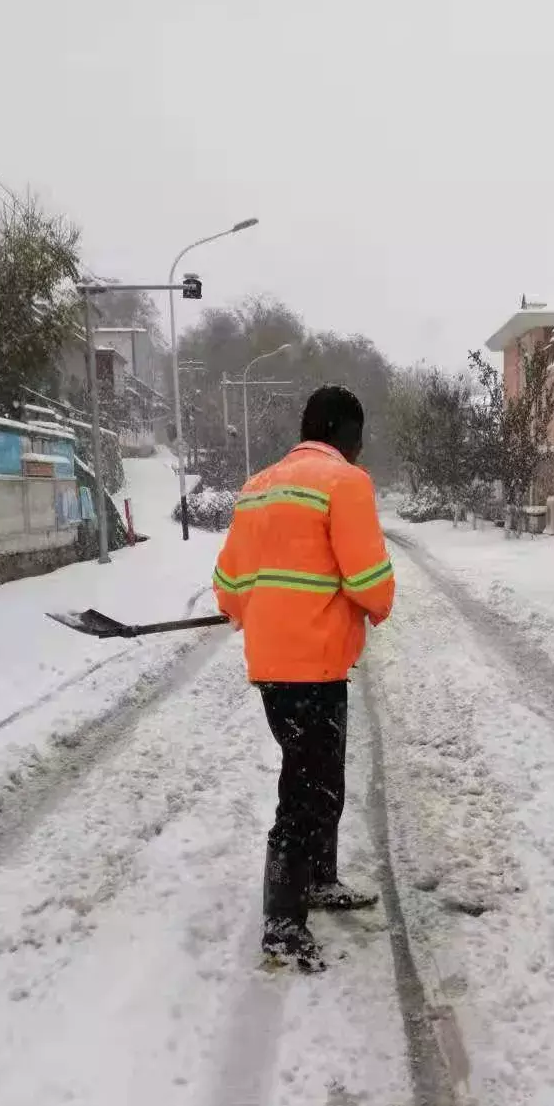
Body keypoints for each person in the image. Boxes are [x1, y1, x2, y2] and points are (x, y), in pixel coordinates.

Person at [213, 385, 395, 972]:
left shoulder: (257, 488)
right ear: (343, 430)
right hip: (315, 666)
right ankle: (283, 923)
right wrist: (366, 599)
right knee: (305, 792)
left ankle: (318, 878)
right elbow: (371, 583)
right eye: (358, 436)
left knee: (320, 780)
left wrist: (265, 609)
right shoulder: (345, 483)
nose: (360, 449)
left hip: (273, 669)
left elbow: (229, 587)